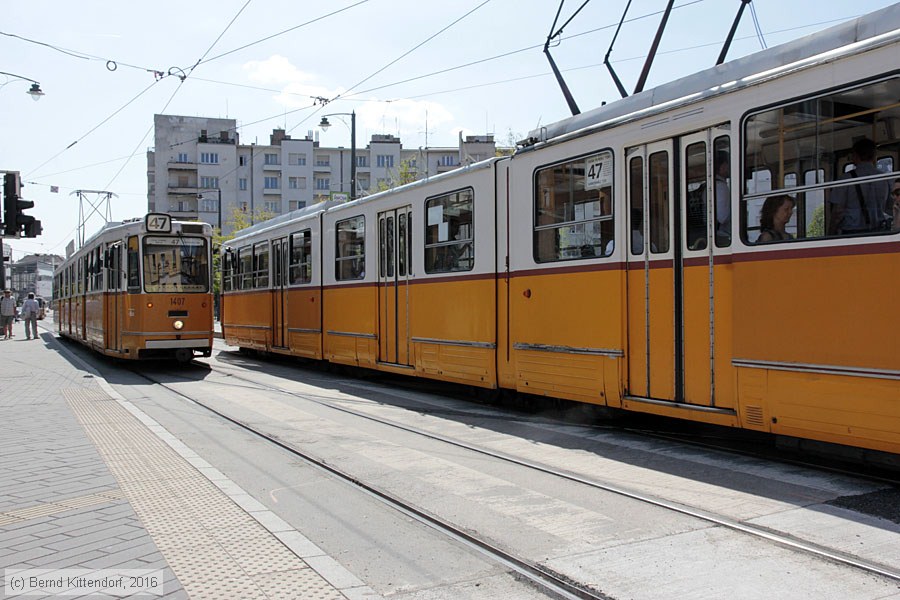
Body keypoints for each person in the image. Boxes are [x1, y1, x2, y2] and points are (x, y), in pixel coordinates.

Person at [828, 138, 892, 235]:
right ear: (874, 156)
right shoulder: (886, 179)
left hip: (852, 232)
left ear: (855, 155)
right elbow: (889, 207)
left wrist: (830, 233)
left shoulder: (846, 179)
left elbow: (838, 212)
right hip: (879, 231)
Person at [714, 152, 731, 241]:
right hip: (721, 236)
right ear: (723, 166)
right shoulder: (721, 187)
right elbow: (722, 217)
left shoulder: (709, 185)